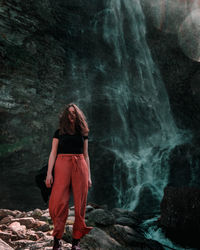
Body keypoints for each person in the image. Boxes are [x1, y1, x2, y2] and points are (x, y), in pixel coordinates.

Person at [45, 103, 93, 250]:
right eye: (69, 113)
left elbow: (86, 155)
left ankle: (76, 241)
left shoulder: (83, 132)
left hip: (80, 164)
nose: (71, 116)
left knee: (80, 204)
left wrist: (89, 176)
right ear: (65, 116)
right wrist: (49, 173)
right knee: (58, 202)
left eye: (74, 113)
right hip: (62, 164)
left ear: (78, 115)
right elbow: (53, 153)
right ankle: (57, 239)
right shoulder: (58, 132)